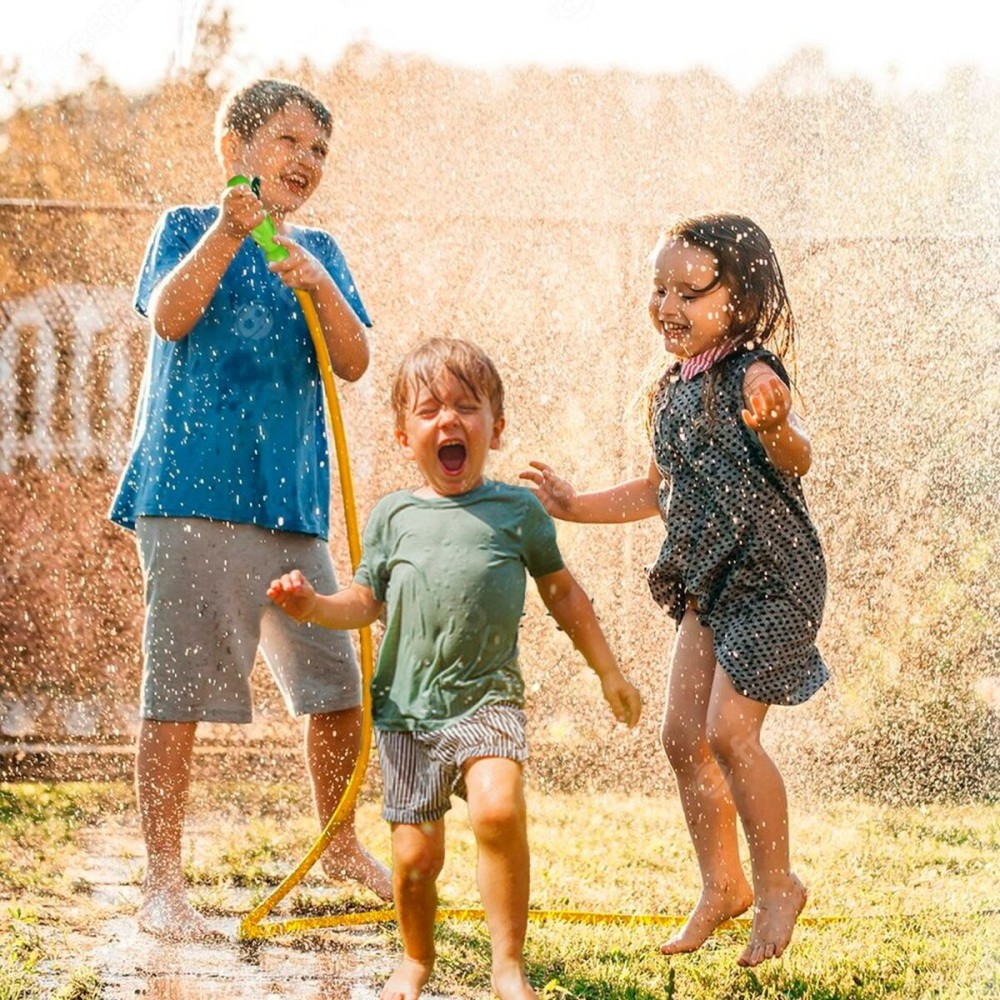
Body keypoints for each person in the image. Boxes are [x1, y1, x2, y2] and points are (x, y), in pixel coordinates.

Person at [268, 337, 642, 1000]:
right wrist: (312, 606)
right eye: (429, 409)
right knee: (416, 860)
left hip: (487, 700)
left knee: (497, 812)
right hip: (407, 714)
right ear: (402, 434)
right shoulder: (393, 517)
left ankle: (508, 965)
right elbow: (363, 603)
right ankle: (415, 959)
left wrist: (607, 671)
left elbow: (563, 593)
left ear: (496, 428)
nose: (449, 421)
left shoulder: (517, 512)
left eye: (468, 407)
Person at [108, 78, 392, 941]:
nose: (305, 161)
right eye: (289, 141)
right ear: (234, 147)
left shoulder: (322, 251)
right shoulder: (186, 230)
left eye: (318, 152)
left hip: (291, 504)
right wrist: (231, 233)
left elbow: (354, 364)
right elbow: (170, 318)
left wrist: (321, 288)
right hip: (193, 493)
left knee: (338, 687)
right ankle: (163, 882)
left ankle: (337, 845)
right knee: (182, 690)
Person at [521, 213, 828, 968]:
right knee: (681, 736)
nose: (668, 305)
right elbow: (658, 492)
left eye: (688, 290)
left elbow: (797, 459)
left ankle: (777, 882)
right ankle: (722, 888)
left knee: (729, 732)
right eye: (658, 288)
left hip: (772, 576)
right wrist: (574, 505)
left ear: (741, 298)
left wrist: (776, 423)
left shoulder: (754, 372)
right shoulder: (668, 392)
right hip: (710, 577)